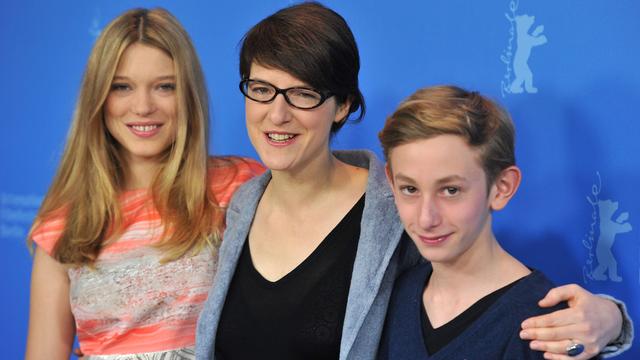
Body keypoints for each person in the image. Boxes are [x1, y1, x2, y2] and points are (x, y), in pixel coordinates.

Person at [196, 2, 631, 360]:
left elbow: (487, 289)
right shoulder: (241, 202)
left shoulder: (392, 208)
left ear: (344, 104)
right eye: (261, 89)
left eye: (304, 94)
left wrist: (610, 319)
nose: (277, 112)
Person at [25, 8, 263, 359]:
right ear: (99, 98)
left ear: (188, 96)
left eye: (165, 87)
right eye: (122, 87)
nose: (142, 106)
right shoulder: (62, 228)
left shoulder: (241, 186)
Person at [378, 85, 571, 358]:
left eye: (451, 190)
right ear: (391, 181)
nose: (426, 218)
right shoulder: (394, 296)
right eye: (410, 189)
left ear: (502, 187)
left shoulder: (545, 326)